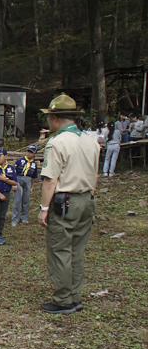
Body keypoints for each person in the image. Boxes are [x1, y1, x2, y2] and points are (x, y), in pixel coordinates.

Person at [38, 93, 99, 314]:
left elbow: (50, 179)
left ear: (54, 118)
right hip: (86, 199)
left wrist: (44, 209)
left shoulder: (57, 143)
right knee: (76, 250)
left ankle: (63, 299)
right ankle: (75, 295)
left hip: (65, 202)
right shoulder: (90, 141)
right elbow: (95, 174)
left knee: (60, 250)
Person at [11, 145, 39, 226]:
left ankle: (24, 218)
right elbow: (14, 172)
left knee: (26, 200)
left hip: (28, 179)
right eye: (28, 151)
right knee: (17, 200)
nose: (29, 153)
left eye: (31, 152)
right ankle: (15, 219)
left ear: (35, 154)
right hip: (19, 179)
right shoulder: (20, 160)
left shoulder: (34, 164)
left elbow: (34, 177)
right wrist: (14, 183)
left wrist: (32, 186)